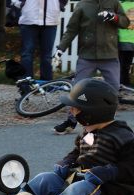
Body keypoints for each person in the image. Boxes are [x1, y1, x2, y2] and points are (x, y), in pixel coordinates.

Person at [0, 79, 134, 195]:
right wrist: (67, 161)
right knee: (46, 178)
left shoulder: (122, 136)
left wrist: (108, 171)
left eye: (75, 108)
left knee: (79, 188)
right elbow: (77, 152)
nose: (71, 111)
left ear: (90, 113)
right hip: (82, 182)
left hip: (108, 192)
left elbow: (131, 166)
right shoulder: (88, 132)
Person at [52, 0, 129, 134]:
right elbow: (71, 29)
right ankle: (71, 121)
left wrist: (114, 17)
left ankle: (108, 121)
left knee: (113, 89)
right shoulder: (82, 5)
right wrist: (60, 49)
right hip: (87, 56)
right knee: (78, 89)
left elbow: (125, 22)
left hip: (109, 55)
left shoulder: (114, 3)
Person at [12, 0, 67, 81]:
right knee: (26, 54)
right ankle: (27, 83)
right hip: (29, 18)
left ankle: (46, 83)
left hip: (50, 19)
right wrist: (20, 4)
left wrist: (60, 4)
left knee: (47, 55)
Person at [118, 0, 134, 87]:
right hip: (132, 40)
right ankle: (127, 83)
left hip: (123, 40)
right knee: (127, 64)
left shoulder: (120, 6)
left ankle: (123, 84)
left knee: (122, 65)